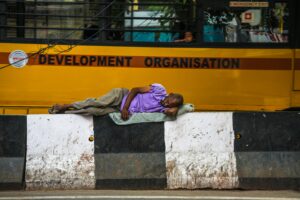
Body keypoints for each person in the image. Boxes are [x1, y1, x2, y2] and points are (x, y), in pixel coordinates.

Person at [49, 83, 184, 120]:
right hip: (121, 96)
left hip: (118, 110)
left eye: (169, 105)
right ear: (169, 94)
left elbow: (172, 112)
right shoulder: (159, 90)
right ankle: (67, 105)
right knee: (98, 103)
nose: (166, 104)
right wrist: (125, 108)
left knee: (92, 111)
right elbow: (135, 89)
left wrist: (176, 107)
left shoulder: (163, 108)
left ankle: (66, 112)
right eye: (168, 100)